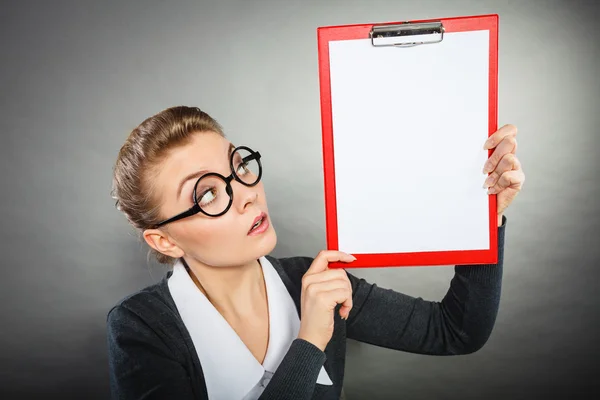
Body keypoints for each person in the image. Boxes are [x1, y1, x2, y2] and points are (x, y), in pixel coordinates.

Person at [107, 106, 525, 400]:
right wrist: (309, 341)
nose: (248, 196)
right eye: (209, 193)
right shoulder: (140, 328)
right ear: (165, 241)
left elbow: (456, 331)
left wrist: (482, 218)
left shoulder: (313, 280)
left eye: (238, 167)